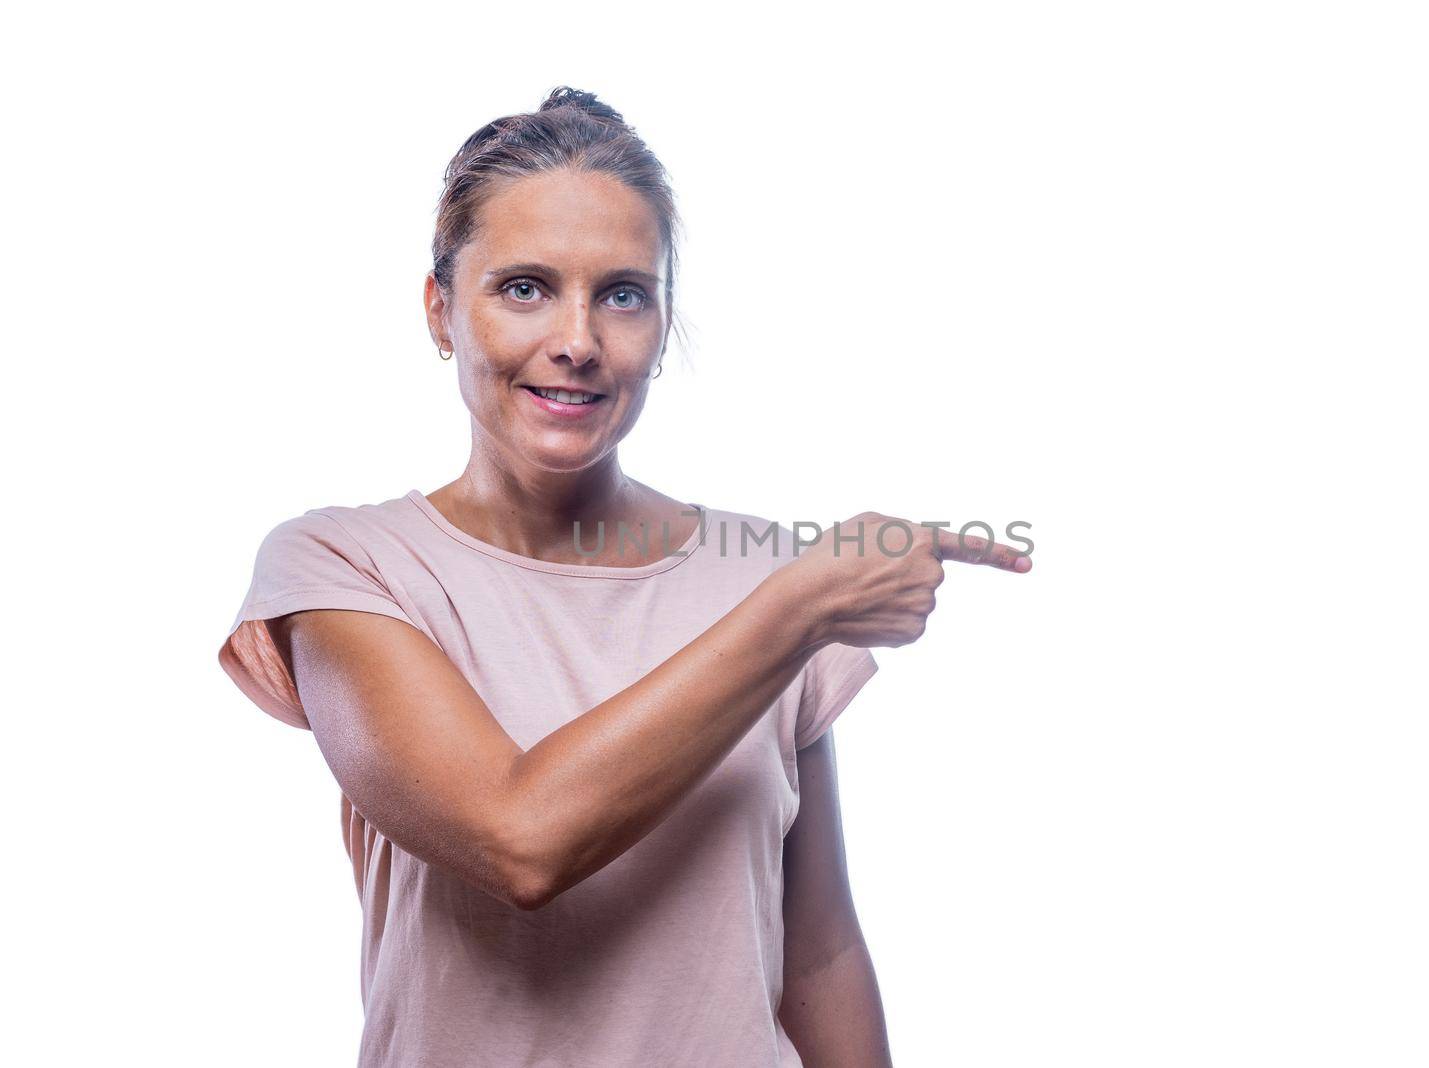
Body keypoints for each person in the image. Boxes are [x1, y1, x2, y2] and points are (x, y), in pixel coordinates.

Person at [217, 86, 1032, 1068]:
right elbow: (519, 838)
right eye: (523, 288)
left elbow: (816, 956)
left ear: (661, 318)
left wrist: (793, 600)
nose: (577, 340)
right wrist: (801, 609)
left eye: (621, 294)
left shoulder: (764, 571)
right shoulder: (347, 566)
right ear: (441, 311)